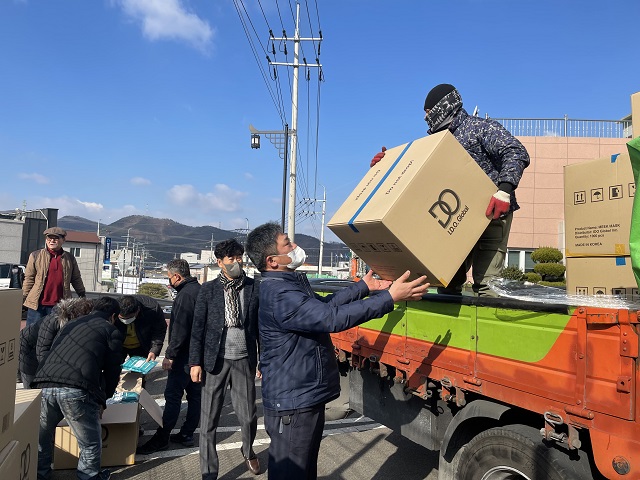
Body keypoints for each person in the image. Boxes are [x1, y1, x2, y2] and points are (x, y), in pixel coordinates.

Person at [245, 222, 429, 479]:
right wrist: (389, 298)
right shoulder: (279, 292)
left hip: (301, 396)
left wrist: (363, 288)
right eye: (288, 243)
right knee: (292, 473)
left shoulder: (287, 284)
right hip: (293, 401)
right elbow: (330, 319)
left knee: (304, 470)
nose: (295, 246)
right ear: (272, 261)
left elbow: (324, 307)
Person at [370, 84, 530, 297]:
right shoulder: (433, 143)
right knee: (447, 281)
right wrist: (387, 166)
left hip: (491, 213)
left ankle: (486, 328)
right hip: (452, 217)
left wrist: (504, 190)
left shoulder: (480, 128)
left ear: (443, 106)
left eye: (428, 113)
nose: (426, 118)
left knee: (487, 285)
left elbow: (515, 151)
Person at [189, 239, 261, 479]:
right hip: (214, 361)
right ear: (220, 262)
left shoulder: (253, 287)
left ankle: (248, 450)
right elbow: (197, 328)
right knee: (209, 420)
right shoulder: (208, 290)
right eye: (231, 258)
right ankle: (208, 470)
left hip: (244, 359)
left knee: (248, 415)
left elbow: (260, 327)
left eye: (239, 257)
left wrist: (262, 361)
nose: (237, 262)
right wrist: (195, 363)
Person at [33, 296, 123, 480]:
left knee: (43, 437)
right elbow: (112, 371)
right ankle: (88, 476)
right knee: (89, 443)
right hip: (76, 389)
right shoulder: (110, 331)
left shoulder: (71, 324)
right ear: (113, 316)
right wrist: (103, 400)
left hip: (44, 382)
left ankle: (39, 474)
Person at [137, 259, 202, 454]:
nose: (169, 282)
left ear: (177, 276)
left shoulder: (184, 296)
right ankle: (187, 433)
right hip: (199, 355)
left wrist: (170, 355)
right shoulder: (200, 291)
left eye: (169, 278)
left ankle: (162, 437)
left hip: (183, 355)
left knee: (173, 396)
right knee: (195, 396)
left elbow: (180, 330)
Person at [19, 297, 94, 388]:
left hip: (43, 349)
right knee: (32, 388)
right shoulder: (52, 321)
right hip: (27, 348)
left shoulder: (75, 323)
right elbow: (42, 351)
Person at [22, 226, 86, 325]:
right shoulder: (35, 255)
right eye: (49, 238)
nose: (52, 241)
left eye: (55, 238)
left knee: (56, 335)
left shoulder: (70, 258)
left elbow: (76, 278)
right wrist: (23, 297)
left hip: (61, 306)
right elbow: (29, 279)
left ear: (63, 240)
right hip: (37, 305)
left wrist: (82, 294)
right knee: (31, 334)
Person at [116, 294, 167, 363]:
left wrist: (154, 350)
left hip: (141, 345)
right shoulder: (113, 308)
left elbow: (159, 330)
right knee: (113, 368)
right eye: (122, 318)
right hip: (118, 345)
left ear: (138, 310)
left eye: (130, 318)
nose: (126, 321)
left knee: (138, 370)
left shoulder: (152, 309)